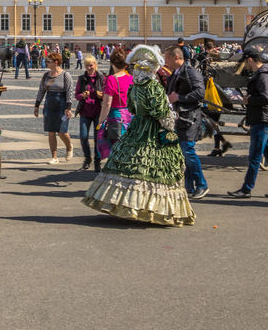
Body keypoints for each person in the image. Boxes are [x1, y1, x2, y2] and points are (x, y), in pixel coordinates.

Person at [82, 45, 195, 226]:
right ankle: (150, 208)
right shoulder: (154, 88)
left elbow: (133, 108)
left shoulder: (134, 87)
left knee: (131, 164)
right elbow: (160, 112)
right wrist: (169, 122)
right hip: (153, 130)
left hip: (137, 127)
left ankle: (125, 204)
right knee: (154, 168)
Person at [226, 47, 268, 199]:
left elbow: (266, 97)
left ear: (250, 60)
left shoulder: (263, 76)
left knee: (254, 156)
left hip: (261, 119)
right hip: (263, 118)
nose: (245, 66)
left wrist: (249, 100)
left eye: (245, 62)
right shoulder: (263, 74)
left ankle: (246, 189)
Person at [165, 45, 209, 200]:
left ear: (176, 57)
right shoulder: (175, 73)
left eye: (167, 58)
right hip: (180, 118)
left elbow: (199, 92)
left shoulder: (190, 72)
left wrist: (179, 98)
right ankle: (189, 186)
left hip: (190, 118)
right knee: (183, 153)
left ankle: (202, 184)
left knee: (187, 151)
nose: (165, 61)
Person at [34, 53, 73, 164]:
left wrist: (68, 107)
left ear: (56, 62)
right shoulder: (46, 75)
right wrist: (37, 105)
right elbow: (41, 90)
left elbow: (70, 92)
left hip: (61, 103)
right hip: (49, 103)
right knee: (51, 131)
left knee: (61, 131)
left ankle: (69, 146)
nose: (46, 63)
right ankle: (54, 157)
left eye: (48, 61)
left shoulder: (65, 75)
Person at [96, 51, 133, 162]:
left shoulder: (112, 79)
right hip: (130, 116)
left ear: (112, 63)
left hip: (116, 117)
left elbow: (107, 103)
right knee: (128, 145)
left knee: (116, 146)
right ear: (126, 64)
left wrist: (101, 120)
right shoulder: (131, 78)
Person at [74, 54, 103, 170]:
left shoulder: (101, 78)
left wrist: (102, 95)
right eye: (87, 66)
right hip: (85, 112)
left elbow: (107, 93)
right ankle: (87, 158)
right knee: (83, 136)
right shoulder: (81, 79)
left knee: (97, 138)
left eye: (91, 65)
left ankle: (97, 160)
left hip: (98, 111)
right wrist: (82, 95)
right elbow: (76, 95)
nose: (89, 68)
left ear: (95, 65)